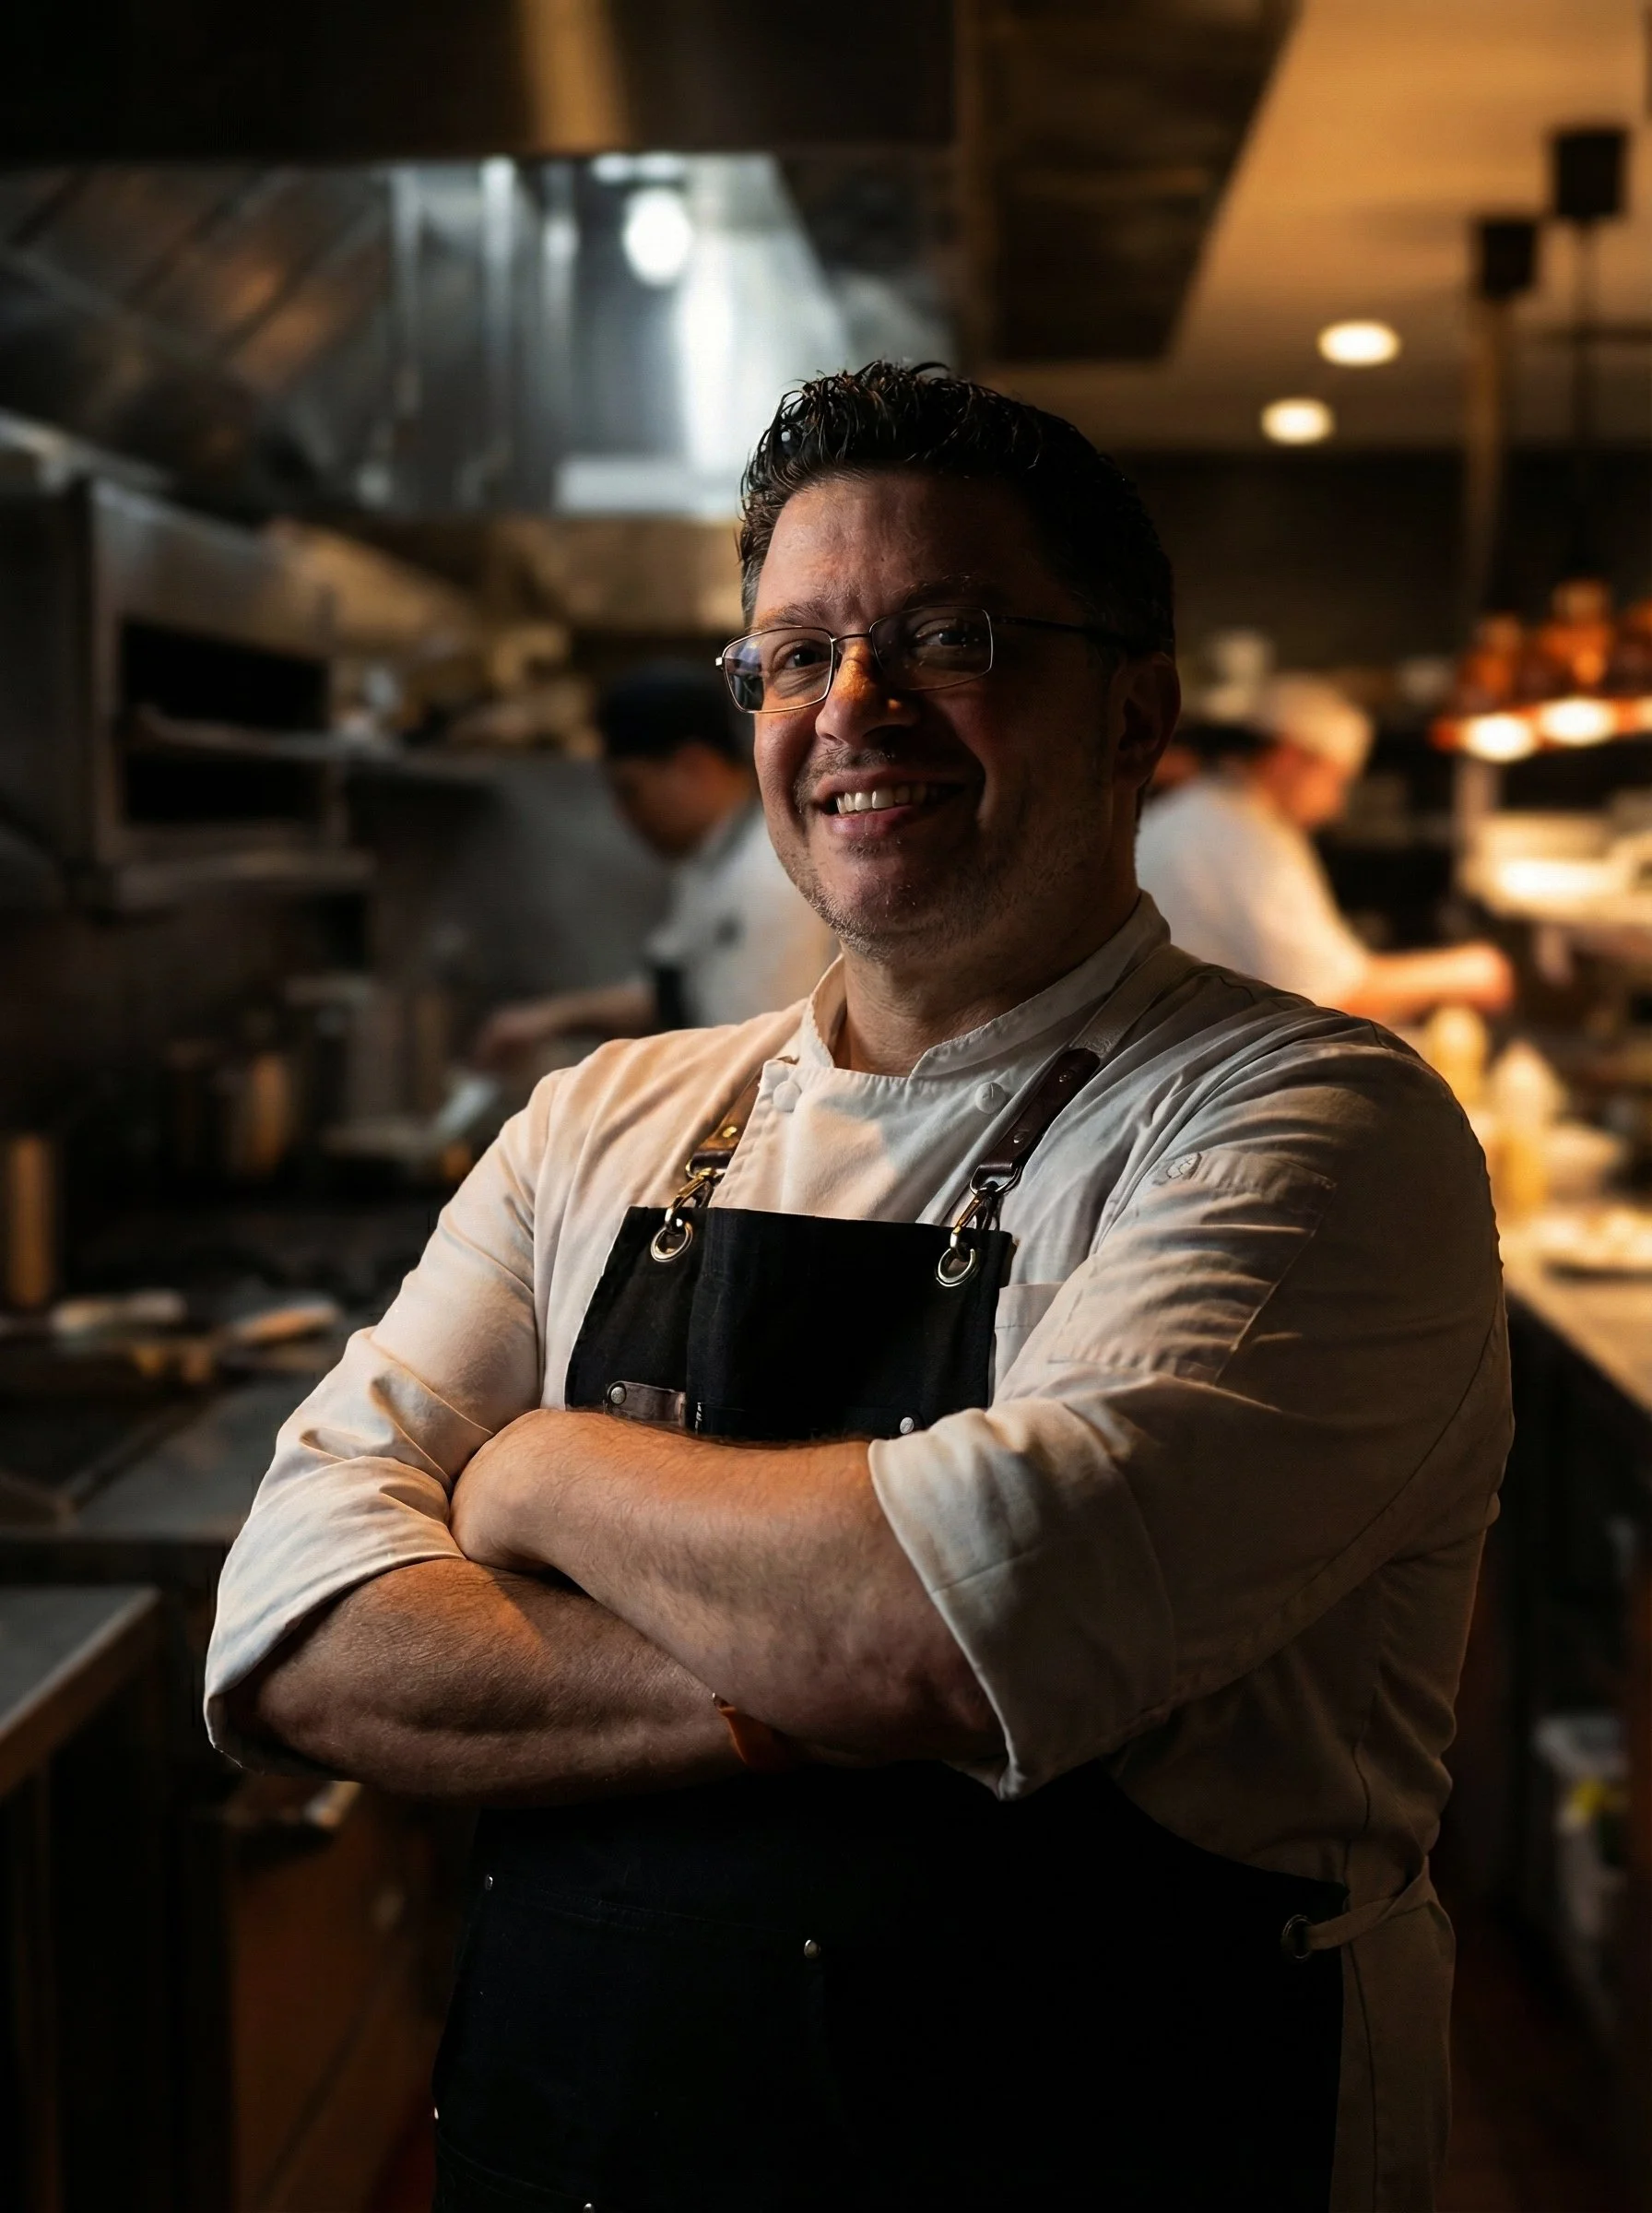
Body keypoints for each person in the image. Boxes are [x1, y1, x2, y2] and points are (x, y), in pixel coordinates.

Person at [207, 364, 1509, 2211]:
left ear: (1133, 711)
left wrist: (537, 1477)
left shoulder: (1313, 1126)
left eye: (945, 637)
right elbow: (297, 1628)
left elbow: (981, 1606)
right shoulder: (605, 1120)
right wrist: (827, 1667)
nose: (851, 709)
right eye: (792, 655)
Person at [472, 662, 834, 1063]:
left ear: (695, 767)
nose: (624, 814)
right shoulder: (712, 862)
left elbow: (759, 1063)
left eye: (630, 790)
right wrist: (549, 1019)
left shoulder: (770, 878)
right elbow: (670, 993)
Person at [1138, 672, 1515, 1019]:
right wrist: (1468, 972)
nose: (1337, 807)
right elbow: (1329, 992)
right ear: (1290, 758)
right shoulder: (1242, 838)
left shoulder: (1205, 810)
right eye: (1337, 781)